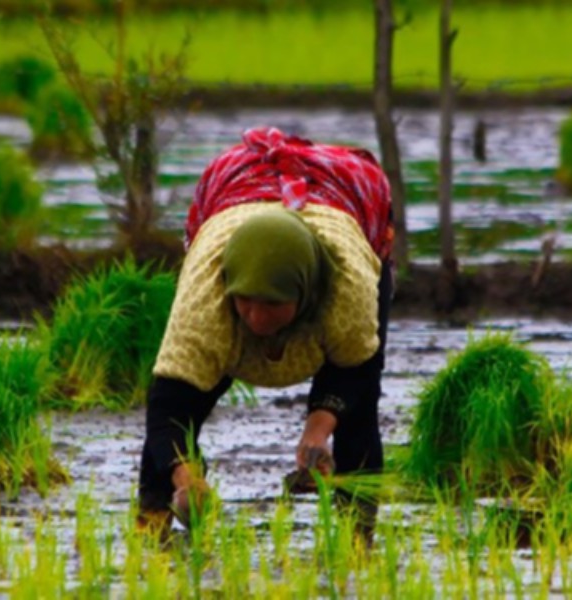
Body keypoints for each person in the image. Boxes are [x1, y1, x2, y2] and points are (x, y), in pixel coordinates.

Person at [136, 126, 393, 539]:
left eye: (272, 304)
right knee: (183, 415)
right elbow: (167, 410)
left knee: (358, 418)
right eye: (247, 301)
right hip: (235, 203)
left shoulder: (349, 287)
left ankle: (358, 537)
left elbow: (356, 371)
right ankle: (151, 528)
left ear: (304, 293)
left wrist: (319, 427)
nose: (256, 317)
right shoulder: (207, 301)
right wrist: (186, 479)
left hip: (341, 213)